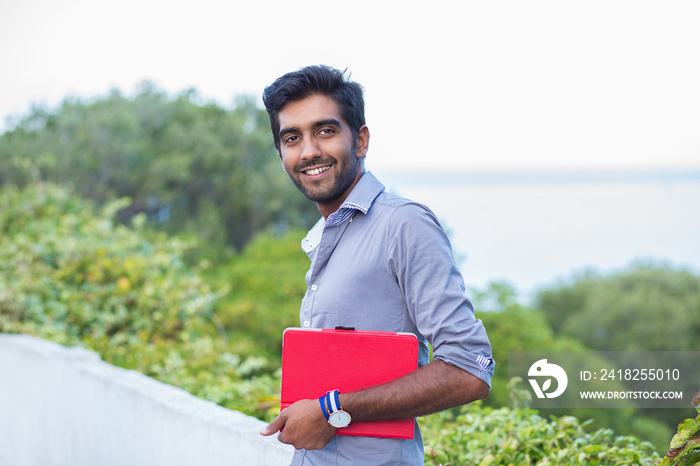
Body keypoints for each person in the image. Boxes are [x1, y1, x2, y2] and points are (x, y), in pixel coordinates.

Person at [259, 65, 495, 465]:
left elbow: (469, 369)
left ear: (361, 140)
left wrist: (332, 409)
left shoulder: (402, 224)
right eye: (292, 138)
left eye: (326, 131)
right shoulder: (327, 234)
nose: (309, 151)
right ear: (281, 154)